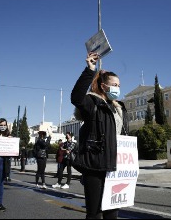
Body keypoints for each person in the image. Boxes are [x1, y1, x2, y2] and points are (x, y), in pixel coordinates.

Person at [70, 52, 129, 219]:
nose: (117, 88)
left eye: (119, 85)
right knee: (95, 213)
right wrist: (90, 70)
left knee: (112, 214)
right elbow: (76, 97)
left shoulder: (119, 108)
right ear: (103, 86)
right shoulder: (92, 103)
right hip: (95, 167)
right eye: (114, 85)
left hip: (116, 167)